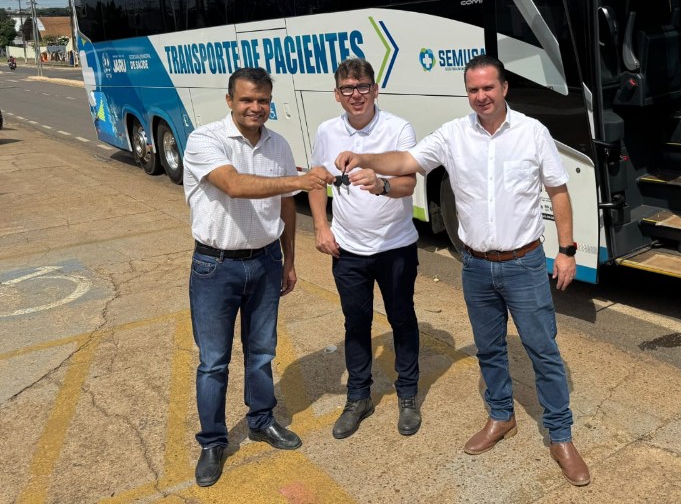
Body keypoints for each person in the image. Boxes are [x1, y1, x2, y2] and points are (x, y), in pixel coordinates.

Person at [336, 54, 591, 487]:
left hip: (525, 263)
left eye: (488, 88)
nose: (481, 97)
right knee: (489, 349)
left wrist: (566, 250)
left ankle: (561, 436)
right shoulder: (453, 135)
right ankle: (500, 416)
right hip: (475, 266)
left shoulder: (532, 132)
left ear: (504, 88)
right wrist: (365, 157)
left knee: (543, 351)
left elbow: (558, 191)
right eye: (473, 90)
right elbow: (407, 162)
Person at [183, 67, 334, 488]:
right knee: (213, 362)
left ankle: (261, 420)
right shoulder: (205, 140)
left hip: (265, 261)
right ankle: (213, 442)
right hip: (215, 266)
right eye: (247, 99)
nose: (255, 108)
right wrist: (301, 179)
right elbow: (232, 185)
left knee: (262, 352)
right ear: (230, 100)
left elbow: (286, 206)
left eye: (263, 100)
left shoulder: (278, 144)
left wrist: (288, 259)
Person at [307, 58, 422, 440]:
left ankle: (407, 395)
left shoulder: (398, 128)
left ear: (375, 90)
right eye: (347, 88)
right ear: (337, 95)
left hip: (395, 247)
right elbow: (316, 181)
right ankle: (359, 397)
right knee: (356, 323)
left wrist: (384, 185)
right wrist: (322, 227)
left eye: (362, 87)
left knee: (401, 318)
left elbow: (409, 184)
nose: (356, 95)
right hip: (349, 250)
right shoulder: (327, 131)